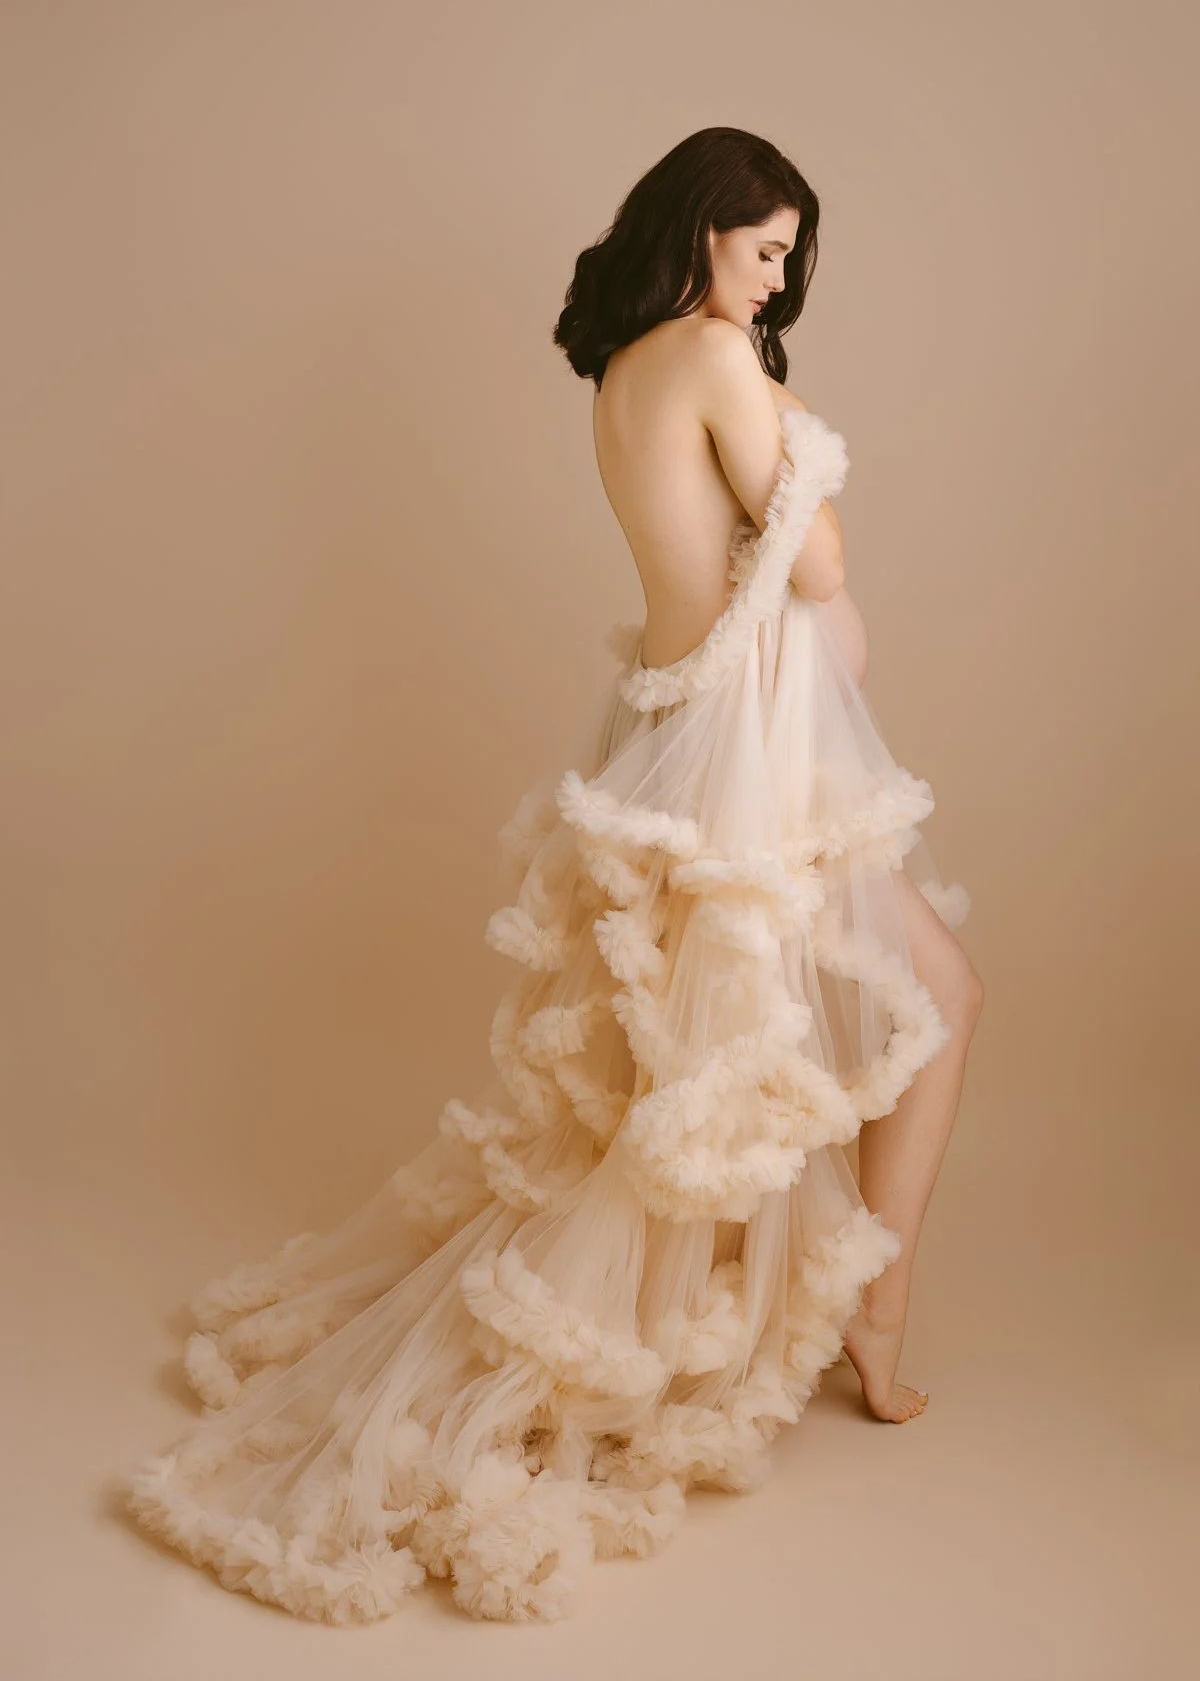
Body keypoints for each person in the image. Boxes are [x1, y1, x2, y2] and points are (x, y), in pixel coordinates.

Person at [121, 126, 983, 1628]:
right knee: (911, 1010)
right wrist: (781, 389)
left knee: (712, 1069)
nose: (779, 280)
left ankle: (817, 1309)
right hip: (754, 750)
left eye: (790, 257)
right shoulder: (720, 361)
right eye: (765, 249)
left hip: (684, 723)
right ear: (704, 232)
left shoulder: (626, 368)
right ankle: (875, 1315)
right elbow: (820, 564)